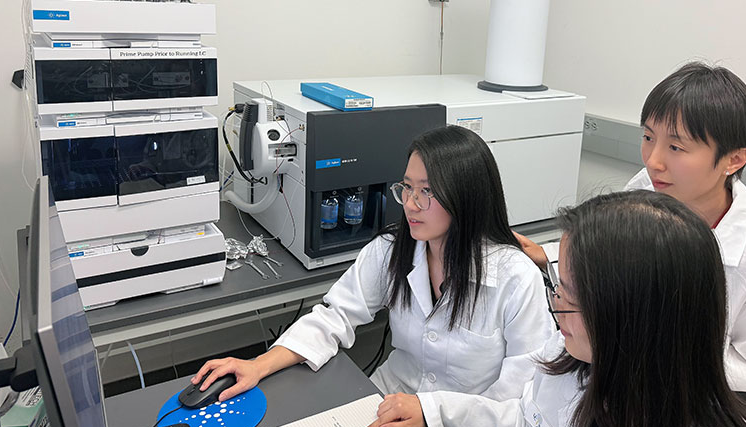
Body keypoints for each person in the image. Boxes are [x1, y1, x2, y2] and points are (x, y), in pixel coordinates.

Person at [363, 190, 746, 427]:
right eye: (559, 282)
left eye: (571, 292)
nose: (555, 302)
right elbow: (531, 426)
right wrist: (436, 412)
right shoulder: (568, 359)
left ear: (633, 317)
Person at [516, 62, 746, 406]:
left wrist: (665, 345)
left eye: (676, 147)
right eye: (647, 137)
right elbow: (622, 257)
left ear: (734, 159)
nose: (653, 160)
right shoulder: (651, 187)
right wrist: (552, 254)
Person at [191, 125, 551, 403]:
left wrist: (435, 419)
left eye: (427, 192)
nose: (410, 204)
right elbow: (336, 316)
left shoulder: (515, 279)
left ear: (467, 198)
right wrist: (259, 365)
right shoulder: (393, 249)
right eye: (407, 188)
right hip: (386, 402)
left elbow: (519, 394)